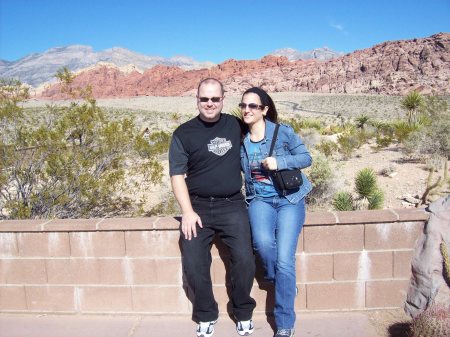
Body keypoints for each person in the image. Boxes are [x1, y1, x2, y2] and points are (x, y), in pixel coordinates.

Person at [169, 78, 256, 337]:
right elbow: (176, 176)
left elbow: (263, 130)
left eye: (215, 99)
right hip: (197, 207)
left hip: (232, 204)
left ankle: (243, 311)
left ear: (223, 100)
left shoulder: (235, 125)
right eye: (204, 99)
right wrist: (187, 211)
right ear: (196, 100)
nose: (209, 103)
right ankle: (206, 315)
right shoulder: (183, 133)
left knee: (244, 259)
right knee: (195, 262)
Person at [239, 87, 312, 337]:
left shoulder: (282, 133)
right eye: (243, 105)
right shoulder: (241, 139)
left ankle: (284, 324)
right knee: (262, 243)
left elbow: (305, 158)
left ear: (264, 110)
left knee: (284, 260)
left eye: (253, 106)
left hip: (289, 199)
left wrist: (280, 162)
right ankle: (284, 283)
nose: (247, 110)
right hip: (260, 199)